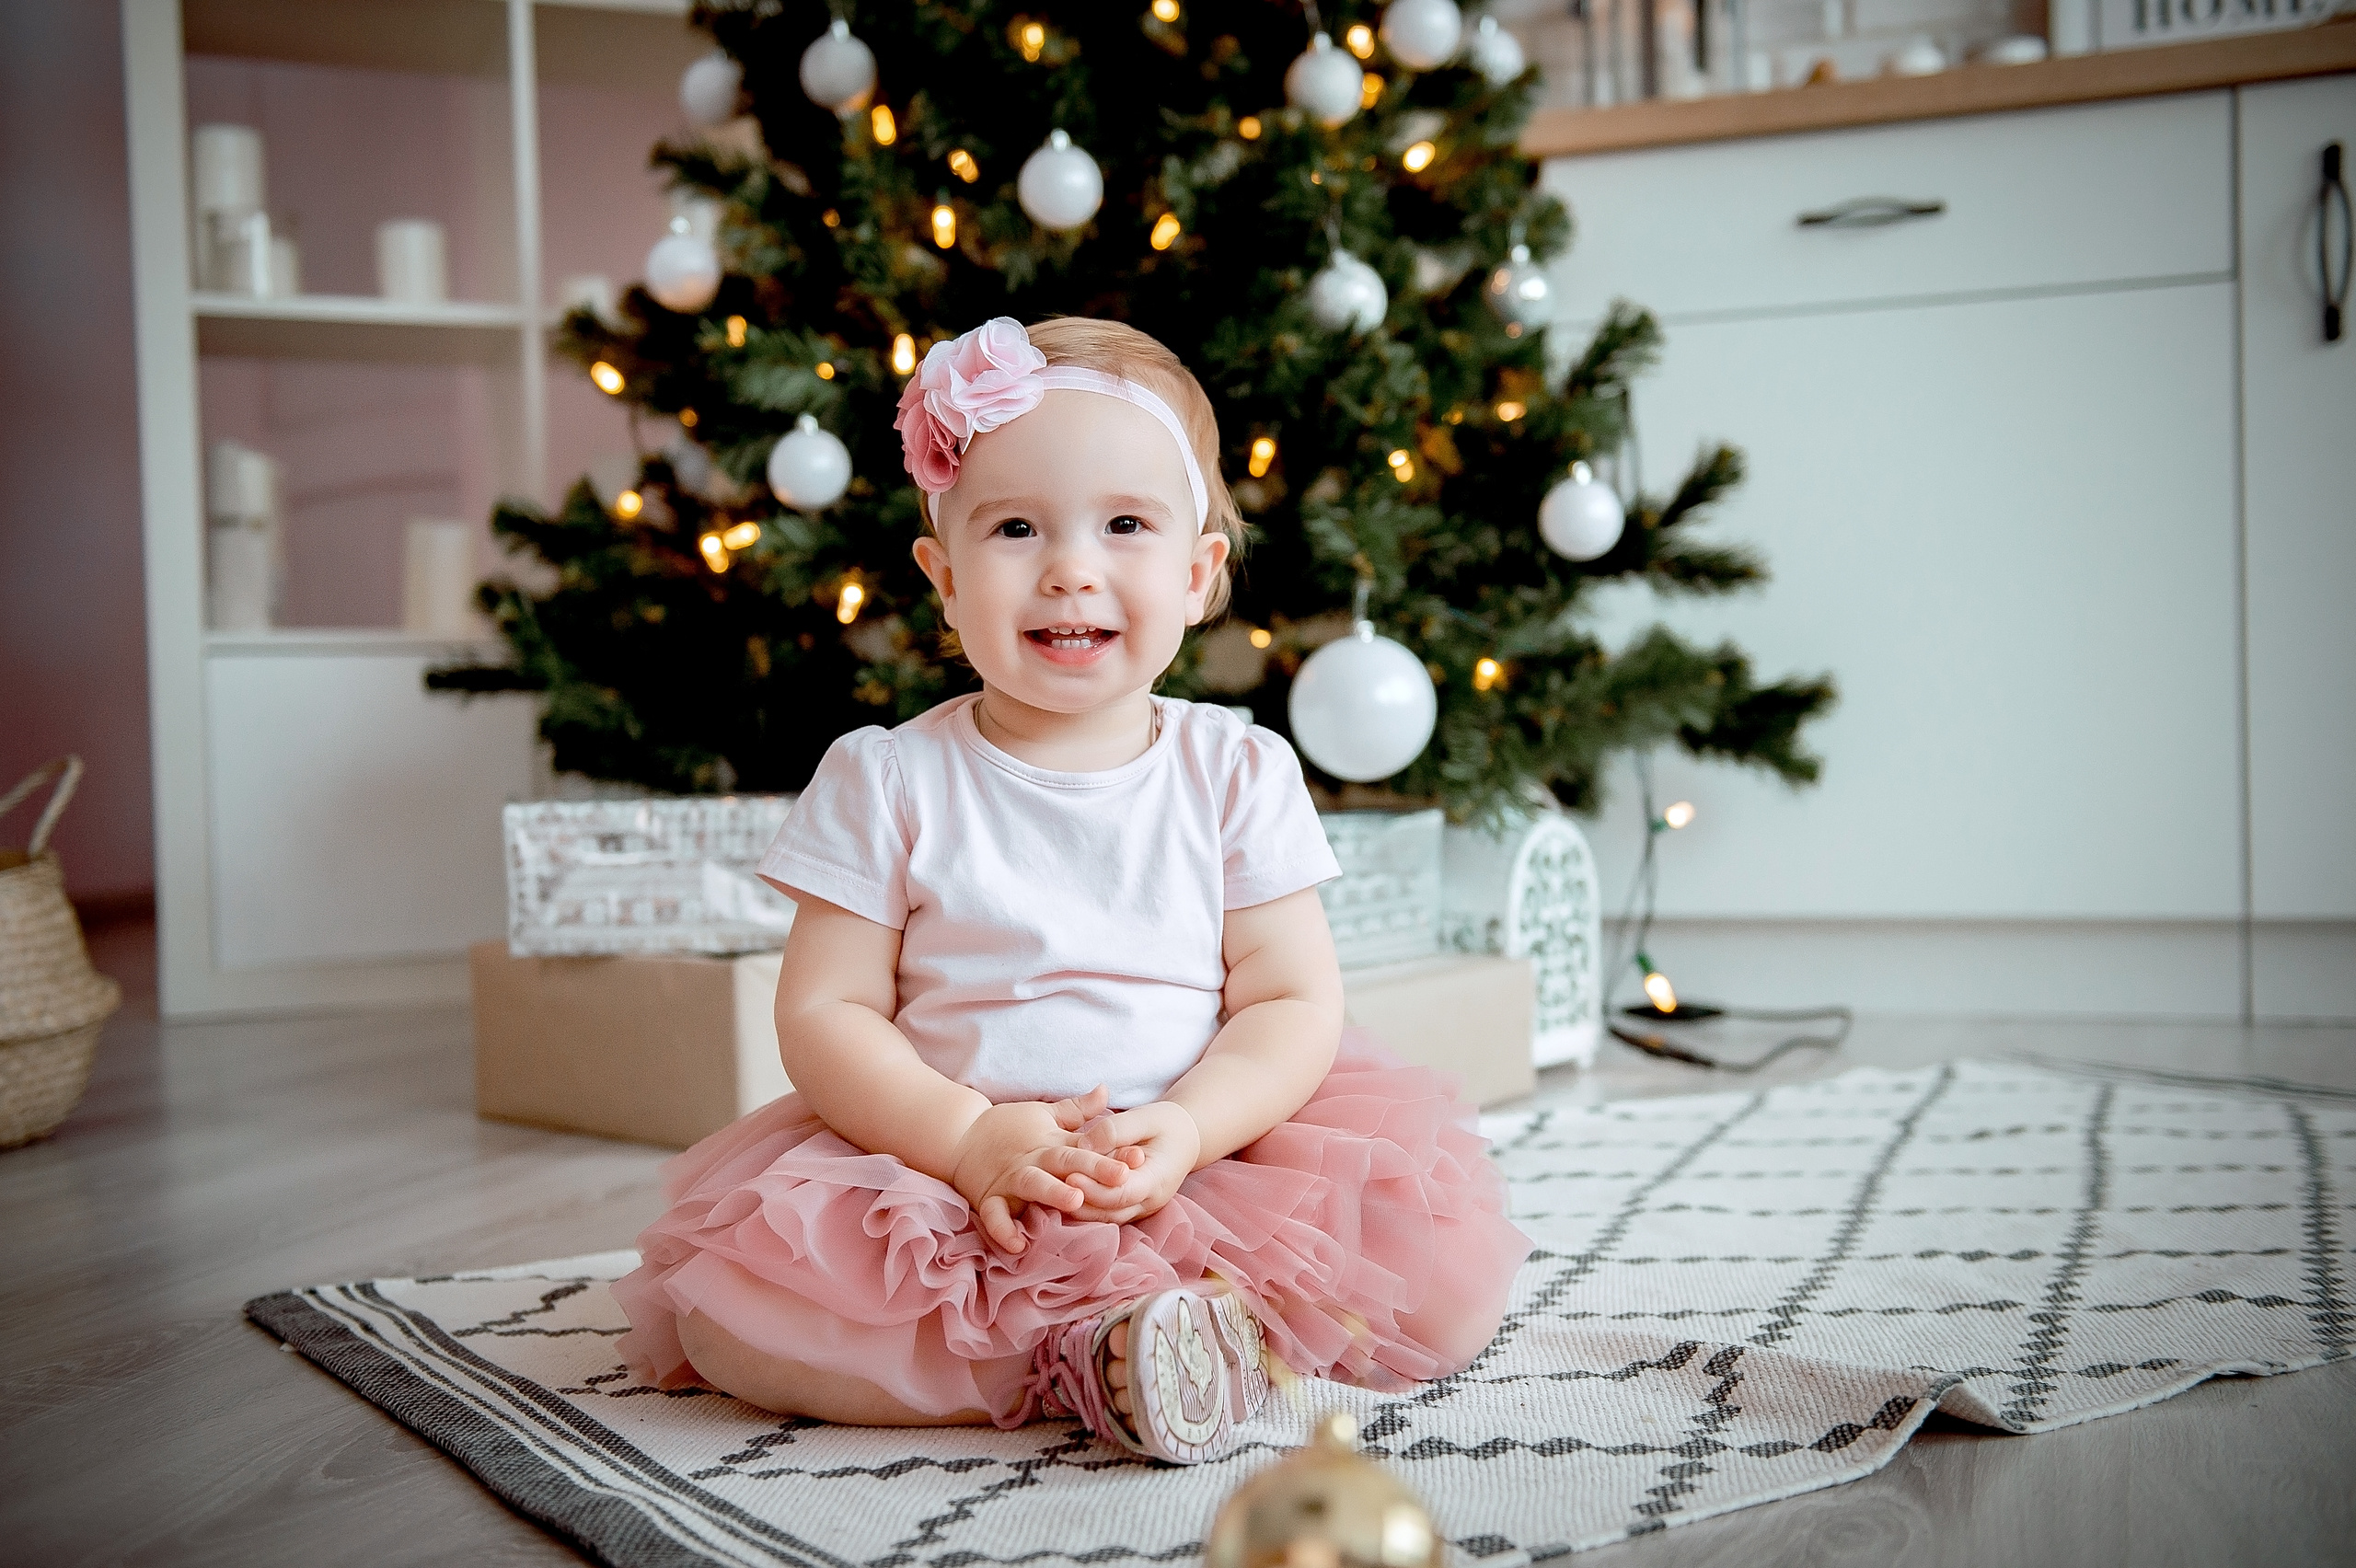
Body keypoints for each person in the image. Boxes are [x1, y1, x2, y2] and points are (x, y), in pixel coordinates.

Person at [612, 316, 1529, 1465]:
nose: (1070, 568)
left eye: (1126, 525)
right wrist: (964, 1136)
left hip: (1198, 1146)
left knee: (1438, 1286)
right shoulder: (889, 778)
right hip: (944, 1166)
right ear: (942, 578)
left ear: (1197, 578)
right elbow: (824, 1012)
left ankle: (1184, 1331)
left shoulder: (1233, 771)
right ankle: (1088, 1362)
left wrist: (1190, 1127)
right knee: (745, 1326)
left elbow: (1291, 1003)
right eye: (1013, 527)